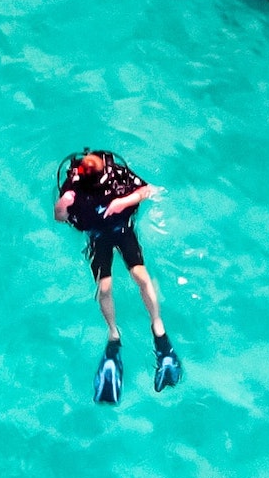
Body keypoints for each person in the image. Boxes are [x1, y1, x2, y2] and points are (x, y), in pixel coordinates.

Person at [53, 149, 181, 403]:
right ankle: (113, 335)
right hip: (97, 236)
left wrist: (124, 201)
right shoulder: (73, 186)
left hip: (121, 229)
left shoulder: (117, 176)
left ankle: (159, 329)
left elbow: (152, 190)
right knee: (105, 288)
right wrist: (61, 206)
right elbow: (60, 218)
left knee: (141, 277)